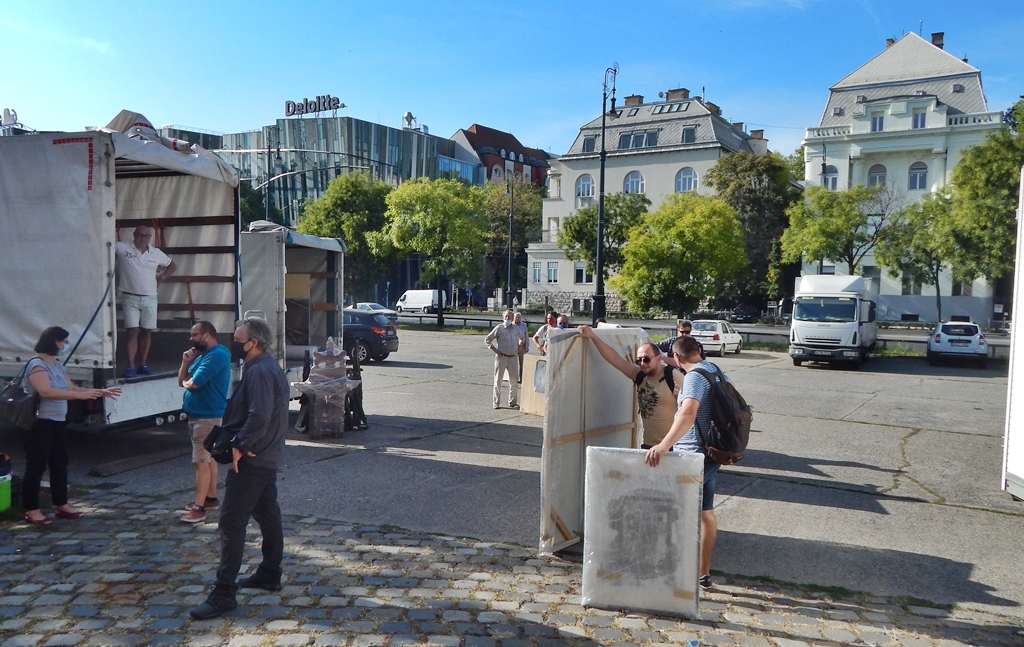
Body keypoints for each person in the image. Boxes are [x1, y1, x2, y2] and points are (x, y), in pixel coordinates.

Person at [189, 317, 290, 620]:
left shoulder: (260, 371)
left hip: (253, 459)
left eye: (237, 338)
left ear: (253, 342)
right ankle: (269, 573)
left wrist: (239, 447)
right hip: (265, 456)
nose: (233, 342)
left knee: (231, 522)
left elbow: (259, 415)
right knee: (268, 514)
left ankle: (223, 593)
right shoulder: (266, 366)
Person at [645, 335, 724, 591]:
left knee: (680, 512)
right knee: (705, 512)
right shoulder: (714, 370)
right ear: (699, 350)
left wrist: (664, 444)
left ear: (677, 358)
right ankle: (703, 574)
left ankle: (678, 569)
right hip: (713, 451)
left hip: (692, 455)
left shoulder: (693, 378)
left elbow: (688, 412)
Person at [21, 327, 120, 525]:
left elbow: (71, 388)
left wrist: (99, 392)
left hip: (58, 422)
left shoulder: (57, 365)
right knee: (37, 465)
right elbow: (46, 392)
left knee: (60, 463)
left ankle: (62, 504)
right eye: (64, 341)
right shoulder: (37, 365)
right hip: (41, 422)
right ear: (54, 341)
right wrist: (79, 396)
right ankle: (32, 509)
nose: (66, 345)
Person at [577, 325, 681, 449]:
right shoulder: (639, 375)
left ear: (658, 358)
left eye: (647, 359)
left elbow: (690, 412)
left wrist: (666, 445)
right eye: (639, 360)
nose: (643, 364)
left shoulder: (673, 376)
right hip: (648, 446)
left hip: (671, 448)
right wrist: (593, 336)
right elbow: (614, 359)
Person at [178, 321, 231, 523]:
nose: (191, 339)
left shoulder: (217, 355)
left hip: (207, 417)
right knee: (209, 459)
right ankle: (210, 498)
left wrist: (187, 382)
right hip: (199, 415)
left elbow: (193, 384)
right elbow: (182, 381)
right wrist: (185, 362)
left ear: (207, 335)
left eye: (194, 335)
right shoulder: (202, 356)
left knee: (200, 462)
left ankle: (199, 508)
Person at [115, 226, 177, 378]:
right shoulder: (123, 247)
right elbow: (105, 246)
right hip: (130, 297)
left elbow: (172, 265)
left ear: (150, 237)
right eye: (140, 235)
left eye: (146, 236)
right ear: (134, 235)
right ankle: (130, 366)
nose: (142, 238)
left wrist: (161, 278)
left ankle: (142, 364)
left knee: (147, 331)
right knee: (132, 331)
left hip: (150, 297)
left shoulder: (156, 253)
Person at [484, 309, 524, 409]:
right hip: (501, 357)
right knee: (498, 381)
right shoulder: (499, 328)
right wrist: (495, 350)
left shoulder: (515, 328)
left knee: (514, 381)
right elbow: (487, 339)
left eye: (510, 317)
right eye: (506, 317)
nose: (508, 318)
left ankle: (512, 401)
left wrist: (520, 345)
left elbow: (522, 337)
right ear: (503, 318)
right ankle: (496, 403)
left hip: (513, 357)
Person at [513, 311, 528, 383]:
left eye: (518, 317)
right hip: (513, 346)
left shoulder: (524, 325)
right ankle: (513, 378)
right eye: (516, 317)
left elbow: (526, 336)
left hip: (522, 347)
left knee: (522, 363)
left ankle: (522, 379)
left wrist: (526, 346)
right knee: (512, 363)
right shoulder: (511, 325)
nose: (517, 318)